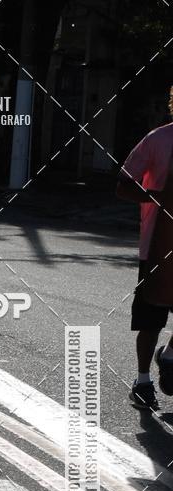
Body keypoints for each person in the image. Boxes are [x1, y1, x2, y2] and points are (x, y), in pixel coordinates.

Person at [116, 89, 173, 410]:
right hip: (157, 247)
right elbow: (123, 185)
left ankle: (169, 355)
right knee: (151, 321)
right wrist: (156, 197)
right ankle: (142, 382)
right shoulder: (157, 140)